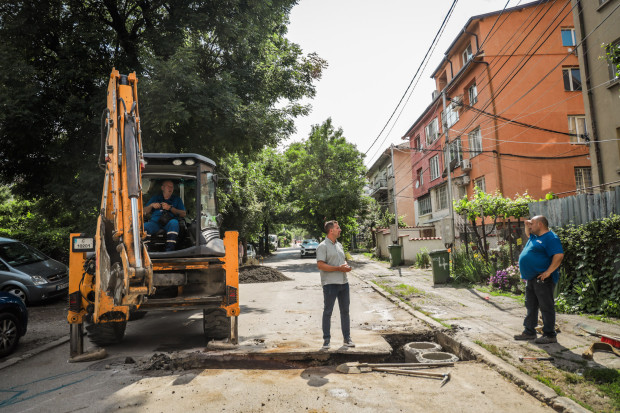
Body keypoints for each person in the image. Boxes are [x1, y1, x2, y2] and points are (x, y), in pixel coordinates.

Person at [514, 215, 564, 344]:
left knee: (546, 306)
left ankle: (549, 334)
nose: (530, 226)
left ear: (540, 224)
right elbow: (528, 233)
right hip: (531, 278)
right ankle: (529, 332)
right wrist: (527, 226)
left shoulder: (551, 238)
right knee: (531, 305)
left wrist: (548, 272)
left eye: (532, 223)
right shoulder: (535, 237)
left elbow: (558, 255)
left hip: (543, 279)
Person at [316, 220, 354, 350]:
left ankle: (347, 338)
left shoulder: (339, 245)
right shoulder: (322, 246)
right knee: (328, 312)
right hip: (330, 284)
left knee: (345, 311)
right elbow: (320, 265)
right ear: (331, 230)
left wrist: (346, 267)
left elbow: (342, 261)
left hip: (344, 283)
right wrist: (338, 268)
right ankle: (326, 340)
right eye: (338, 228)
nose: (340, 230)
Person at [144, 180, 187, 252]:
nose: (170, 188)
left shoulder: (177, 199)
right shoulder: (155, 198)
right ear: (162, 188)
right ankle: (147, 251)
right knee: (144, 226)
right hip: (155, 223)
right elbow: (143, 212)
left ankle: (169, 250)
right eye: (168, 186)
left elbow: (183, 214)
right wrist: (151, 205)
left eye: (172, 187)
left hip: (169, 223)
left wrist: (170, 208)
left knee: (174, 223)